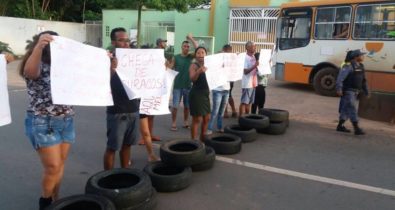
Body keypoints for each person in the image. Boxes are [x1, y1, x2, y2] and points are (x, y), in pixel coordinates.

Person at [20, 31, 75, 209]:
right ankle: (45, 203)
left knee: (60, 165)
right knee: (53, 167)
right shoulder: (35, 63)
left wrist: (106, 62)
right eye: (48, 42)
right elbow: (30, 72)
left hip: (67, 120)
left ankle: (55, 199)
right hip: (43, 121)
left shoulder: (65, 66)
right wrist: (39, 46)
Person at [104, 27, 158, 171]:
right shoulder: (107, 59)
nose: (126, 43)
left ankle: (124, 174)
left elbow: (148, 75)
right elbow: (101, 85)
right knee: (112, 147)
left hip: (134, 109)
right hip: (116, 111)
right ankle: (106, 178)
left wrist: (160, 68)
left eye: (127, 40)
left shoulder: (135, 59)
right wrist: (112, 69)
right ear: (113, 42)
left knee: (127, 146)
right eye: (121, 40)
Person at [138, 38, 169, 144]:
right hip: (143, 89)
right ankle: (143, 137)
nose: (165, 44)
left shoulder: (161, 55)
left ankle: (150, 135)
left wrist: (166, 66)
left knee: (151, 114)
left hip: (154, 88)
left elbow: (164, 69)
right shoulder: (152, 54)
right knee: (144, 114)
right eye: (164, 42)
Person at [336, 49, 369, 135]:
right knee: (352, 108)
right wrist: (339, 89)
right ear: (356, 57)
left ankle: (340, 125)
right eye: (361, 55)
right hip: (348, 91)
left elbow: (364, 81)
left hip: (356, 92)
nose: (363, 56)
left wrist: (366, 91)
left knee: (346, 109)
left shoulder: (361, 66)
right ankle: (356, 128)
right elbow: (340, 79)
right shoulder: (348, 66)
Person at [170, 34, 199, 131]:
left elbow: (197, 48)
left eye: (188, 46)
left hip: (188, 86)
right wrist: (166, 65)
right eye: (185, 46)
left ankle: (185, 122)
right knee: (175, 106)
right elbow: (170, 68)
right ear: (181, 47)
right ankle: (173, 123)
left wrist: (191, 38)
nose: (186, 48)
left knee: (187, 106)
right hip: (177, 86)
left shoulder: (191, 57)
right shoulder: (176, 57)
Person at [207, 44, 232, 134]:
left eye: (229, 53)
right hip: (217, 90)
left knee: (221, 111)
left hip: (226, 89)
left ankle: (219, 127)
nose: (228, 54)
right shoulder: (216, 63)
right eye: (226, 52)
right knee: (215, 110)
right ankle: (209, 128)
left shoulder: (230, 62)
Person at [189, 46, 210, 141]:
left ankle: (202, 141)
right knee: (197, 119)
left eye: (202, 52)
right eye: (198, 53)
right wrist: (198, 71)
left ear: (206, 54)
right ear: (195, 55)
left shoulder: (209, 64)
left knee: (207, 119)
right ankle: (194, 142)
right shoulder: (194, 65)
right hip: (197, 94)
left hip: (206, 94)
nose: (200, 54)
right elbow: (192, 79)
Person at [239, 41, 258, 115]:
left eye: (254, 46)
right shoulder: (245, 58)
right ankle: (241, 118)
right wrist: (255, 66)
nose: (254, 48)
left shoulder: (253, 56)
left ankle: (247, 118)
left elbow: (255, 68)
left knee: (249, 102)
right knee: (244, 102)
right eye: (253, 46)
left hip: (253, 83)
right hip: (247, 84)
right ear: (247, 48)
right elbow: (245, 71)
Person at [223, 44, 238, 119]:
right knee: (229, 95)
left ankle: (226, 112)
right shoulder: (233, 57)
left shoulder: (226, 57)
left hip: (228, 79)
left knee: (226, 95)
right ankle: (234, 111)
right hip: (230, 79)